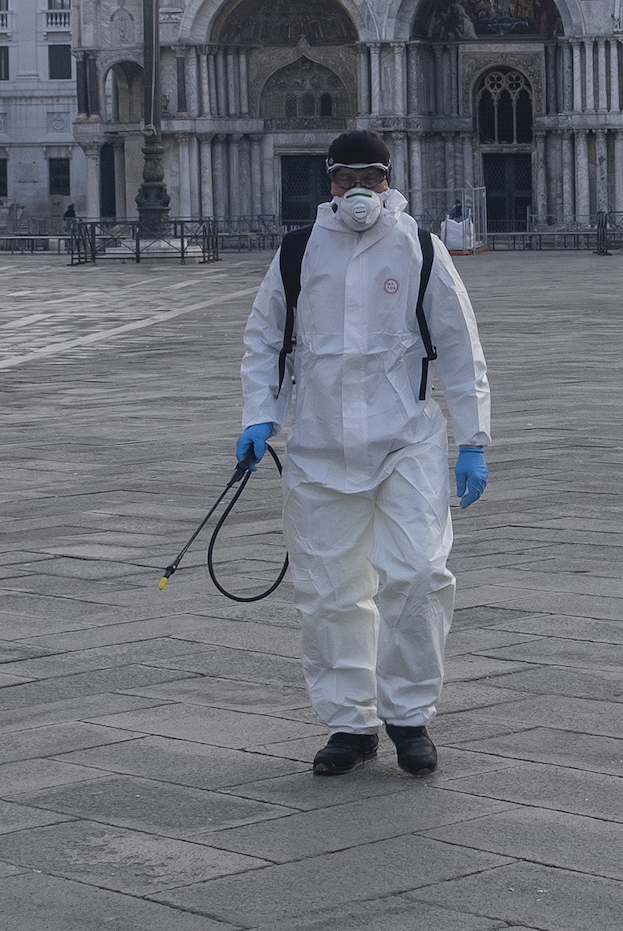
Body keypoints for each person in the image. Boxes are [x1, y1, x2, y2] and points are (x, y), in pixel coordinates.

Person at [236, 130, 490, 779]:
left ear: (388, 181)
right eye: (346, 177)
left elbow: (460, 345)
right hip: (319, 446)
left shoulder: (421, 248)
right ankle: (349, 722)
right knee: (329, 589)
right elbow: (264, 337)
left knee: (418, 572)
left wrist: (474, 439)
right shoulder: (297, 252)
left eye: (370, 178)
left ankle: (409, 715)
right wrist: (257, 415)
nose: (358, 189)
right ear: (328, 181)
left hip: (406, 439)